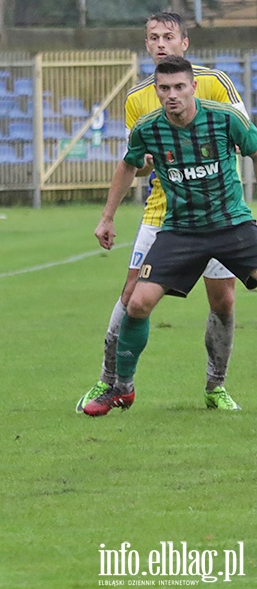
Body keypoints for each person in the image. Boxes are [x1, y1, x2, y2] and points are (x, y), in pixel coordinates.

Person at [75, 11, 247, 414]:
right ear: (147, 44)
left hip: (219, 210)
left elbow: (241, 132)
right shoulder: (138, 99)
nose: (160, 44)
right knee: (133, 294)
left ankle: (215, 386)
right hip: (162, 211)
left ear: (184, 43)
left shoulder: (216, 83)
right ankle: (110, 380)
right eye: (153, 38)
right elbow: (138, 161)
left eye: (168, 36)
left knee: (222, 300)